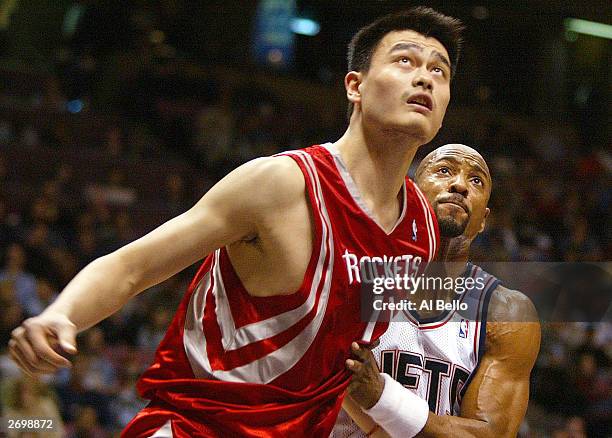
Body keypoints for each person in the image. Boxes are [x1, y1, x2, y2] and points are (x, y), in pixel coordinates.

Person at [8, 7, 464, 437]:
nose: (424, 76)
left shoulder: (422, 228)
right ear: (355, 86)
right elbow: (134, 266)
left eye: (439, 70)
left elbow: (338, 356)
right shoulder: (281, 184)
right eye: (405, 61)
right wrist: (60, 315)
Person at [334, 144, 541, 437]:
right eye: (445, 170)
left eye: (476, 180)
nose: (459, 185)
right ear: (408, 194)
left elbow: (489, 434)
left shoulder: (507, 313)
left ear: (484, 220)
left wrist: (380, 396)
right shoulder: (356, 277)